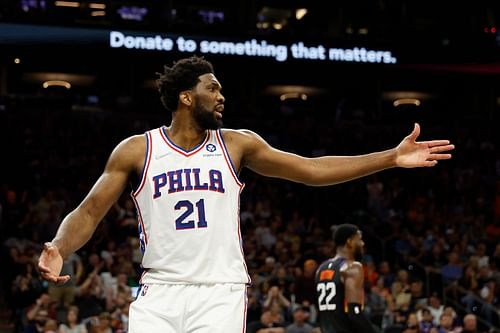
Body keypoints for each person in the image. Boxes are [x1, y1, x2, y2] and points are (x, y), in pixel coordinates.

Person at [38, 56, 454, 332]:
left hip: (220, 291)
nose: (222, 96)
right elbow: (89, 212)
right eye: (212, 88)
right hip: (157, 291)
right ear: (186, 97)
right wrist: (59, 245)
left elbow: (310, 170)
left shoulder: (238, 145)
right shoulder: (137, 149)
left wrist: (390, 158)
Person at [314, 223, 378, 333]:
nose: (362, 244)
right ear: (350, 242)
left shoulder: (320, 269)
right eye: (360, 239)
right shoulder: (352, 267)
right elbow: (354, 312)